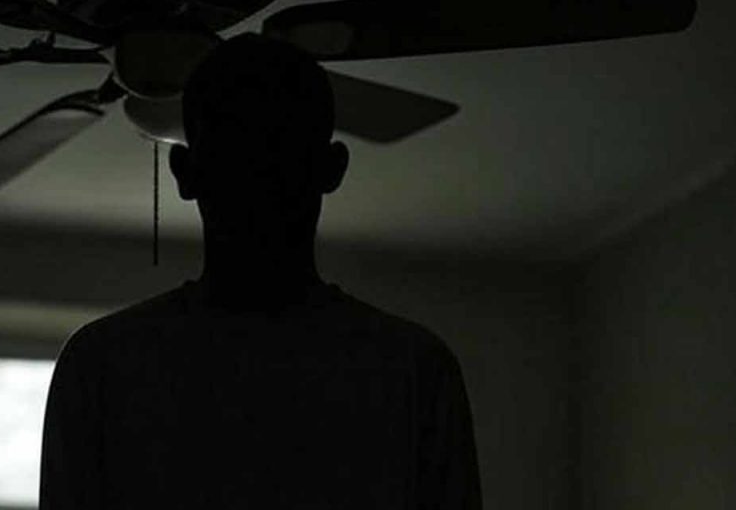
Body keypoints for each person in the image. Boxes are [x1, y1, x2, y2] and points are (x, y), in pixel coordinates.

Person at [40, 33, 482, 509]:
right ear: (332, 168)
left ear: (185, 171)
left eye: (276, 152)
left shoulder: (104, 364)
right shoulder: (411, 367)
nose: (257, 174)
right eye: (238, 152)